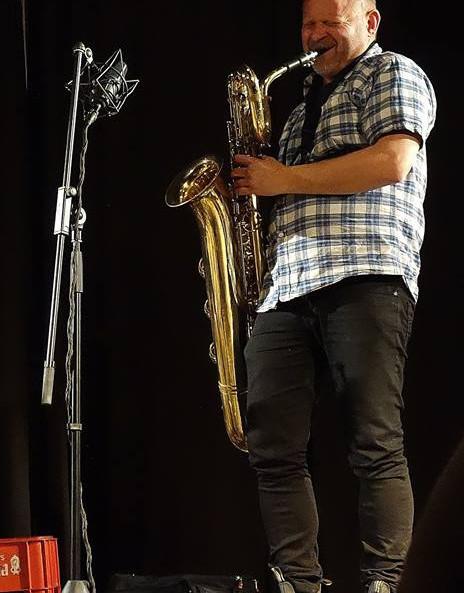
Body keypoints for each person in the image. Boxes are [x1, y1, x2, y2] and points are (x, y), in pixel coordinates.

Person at [228, 1, 436, 592]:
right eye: (308, 24)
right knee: (272, 447)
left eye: (330, 21)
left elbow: (392, 162)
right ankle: (298, 583)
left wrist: (282, 178)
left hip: (364, 272)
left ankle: (387, 583)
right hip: (287, 287)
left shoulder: (392, 71)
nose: (315, 35)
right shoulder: (297, 111)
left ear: (370, 22)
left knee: (374, 441)